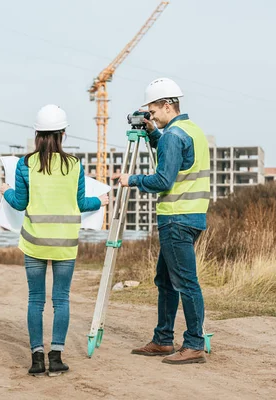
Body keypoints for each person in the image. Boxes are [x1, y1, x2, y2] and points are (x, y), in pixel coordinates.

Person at [0, 104, 109, 376]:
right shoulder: (74, 165)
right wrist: (101, 201)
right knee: (61, 300)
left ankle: (37, 359)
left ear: (37, 134)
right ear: (62, 134)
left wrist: (5, 192)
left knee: (36, 300)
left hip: (34, 242)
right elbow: (81, 203)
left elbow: (20, 202)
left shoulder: (26, 164)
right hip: (65, 244)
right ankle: (56, 356)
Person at [118, 78, 211, 365]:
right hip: (192, 216)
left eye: (153, 110)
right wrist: (153, 133)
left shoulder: (173, 135)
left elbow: (162, 179)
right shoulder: (190, 131)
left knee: (184, 282)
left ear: (167, 105)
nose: (151, 115)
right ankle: (162, 339)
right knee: (166, 281)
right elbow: (176, 158)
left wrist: (130, 179)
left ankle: (194, 344)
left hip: (176, 219)